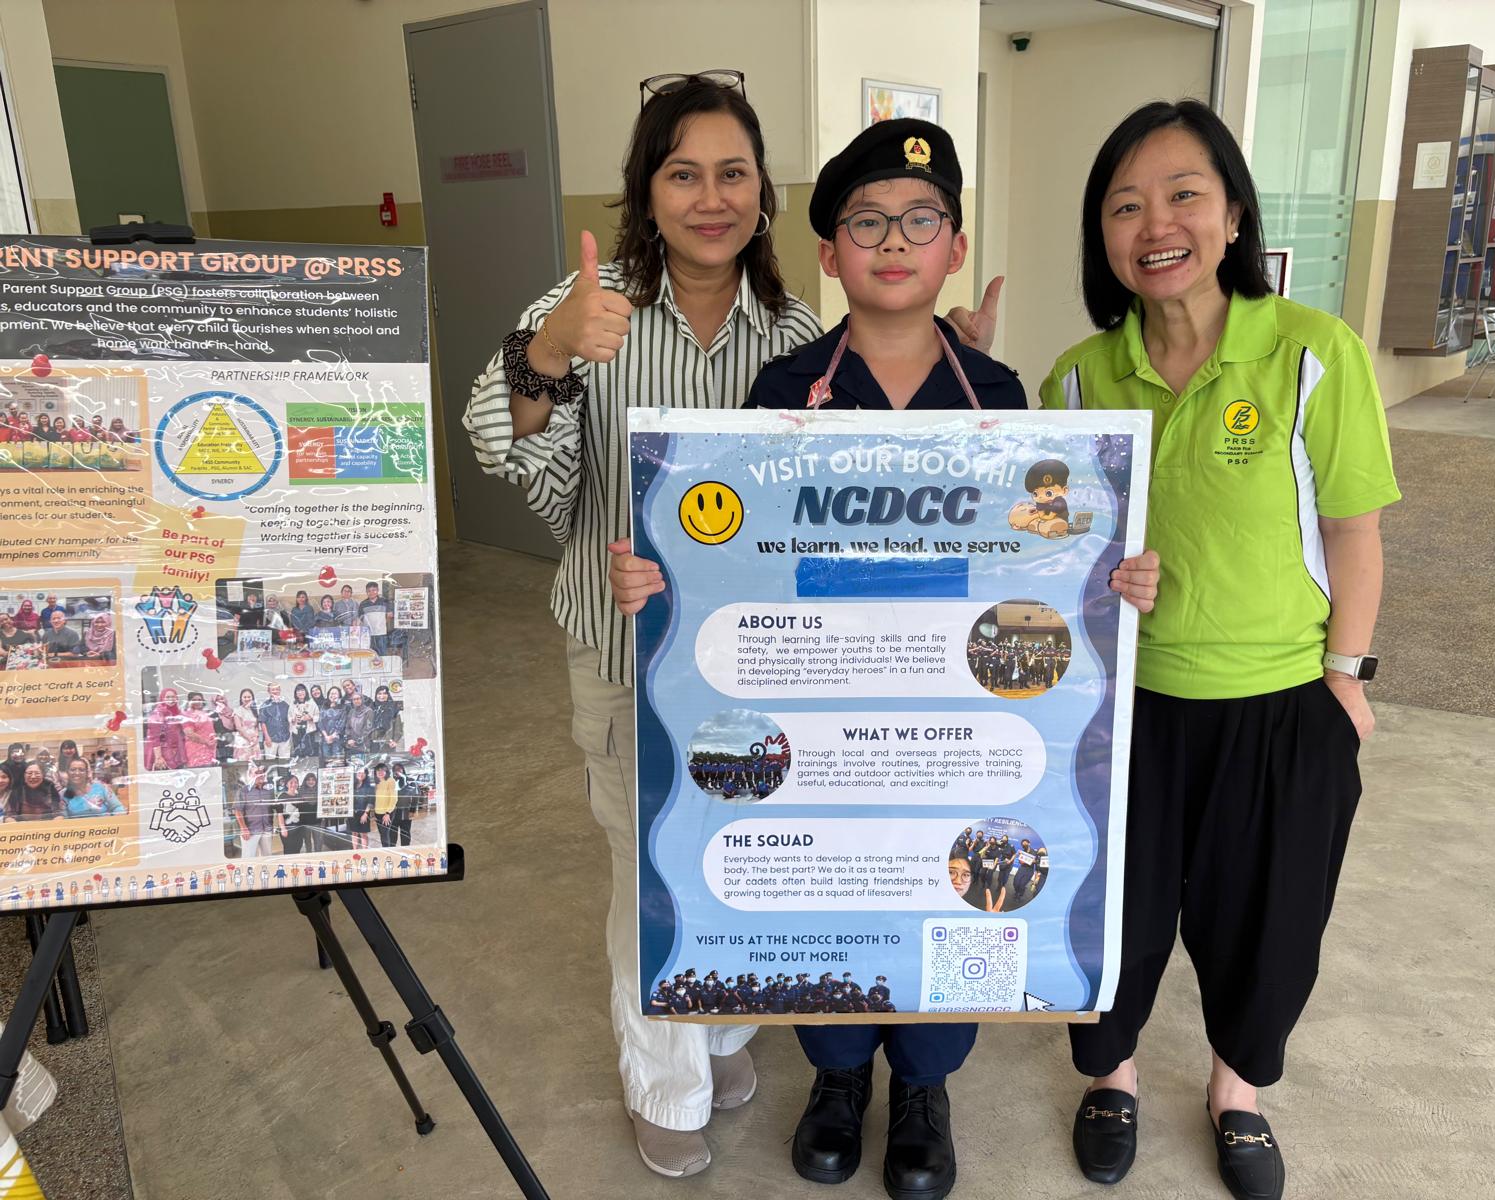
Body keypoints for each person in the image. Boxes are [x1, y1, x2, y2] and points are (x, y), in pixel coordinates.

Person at [611, 118, 1154, 1200]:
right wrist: (656, 578)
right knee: (831, 868)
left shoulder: (998, 399)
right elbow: (734, 561)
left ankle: (923, 1088)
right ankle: (835, 1076)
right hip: (819, 706)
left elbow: (1043, 556)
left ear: (955, 245)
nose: (893, 242)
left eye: (919, 220)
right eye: (865, 222)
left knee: (943, 873)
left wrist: (1110, 581)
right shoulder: (782, 392)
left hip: (956, 713)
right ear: (829, 251)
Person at [461, 72, 826, 1179]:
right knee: (651, 868)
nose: (710, 198)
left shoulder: (795, 332)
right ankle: (663, 1080)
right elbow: (500, 444)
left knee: (742, 848)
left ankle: (719, 1027)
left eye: (732, 174)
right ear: (646, 191)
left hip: (757, 666)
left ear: (763, 193)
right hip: (624, 654)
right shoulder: (591, 307)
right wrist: (553, 349)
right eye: (682, 174)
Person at [1040, 100, 1399, 1200]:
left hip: (1281, 701)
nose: (1157, 224)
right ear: (1102, 236)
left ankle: (1236, 1090)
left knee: (1267, 921)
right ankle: (1110, 1076)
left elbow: (1352, 531)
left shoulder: (1311, 353)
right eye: (1125, 206)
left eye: (1183, 195)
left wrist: (1345, 680)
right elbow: (1050, 554)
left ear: (1233, 214)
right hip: (1121, 706)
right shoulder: (1077, 379)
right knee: (1114, 912)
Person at [231, 764, 278, 857]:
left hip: (267, 830)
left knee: (267, 856)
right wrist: (244, 828)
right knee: (249, 857)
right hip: (250, 830)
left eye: (262, 773)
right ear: (250, 775)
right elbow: (237, 811)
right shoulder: (243, 791)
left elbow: (272, 808)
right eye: (257, 773)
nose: (260, 775)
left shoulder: (269, 791)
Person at [144, 687, 186, 771]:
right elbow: (154, 737)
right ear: (162, 698)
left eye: (173, 697)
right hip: (162, 753)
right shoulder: (158, 713)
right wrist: (158, 757)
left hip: (175, 751)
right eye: (168, 697)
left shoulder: (177, 712)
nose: (171, 699)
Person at [180, 692, 218, 768]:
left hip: (209, 750)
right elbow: (189, 734)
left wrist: (213, 744)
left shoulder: (205, 714)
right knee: (199, 772)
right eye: (194, 700)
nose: (197, 702)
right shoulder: (186, 715)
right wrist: (206, 742)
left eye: (199, 700)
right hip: (195, 750)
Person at [258, 683, 292, 759]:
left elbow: (289, 720)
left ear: (280, 690)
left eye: (277, 689)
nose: (275, 691)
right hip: (271, 738)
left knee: (285, 761)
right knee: (270, 761)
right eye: (273, 689)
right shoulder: (265, 705)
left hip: (285, 738)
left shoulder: (285, 705)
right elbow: (262, 722)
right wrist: (267, 737)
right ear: (268, 691)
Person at [232, 688, 263, 762]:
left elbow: (256, 726)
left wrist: (256, 737)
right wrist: (249, 739)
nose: (247, 699)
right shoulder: (237, 710)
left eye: (249, 697)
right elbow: (238, 727)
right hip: (243, 740)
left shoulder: (255, 710)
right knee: (243, 763)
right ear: (241, 698)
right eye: (245, 697)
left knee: (255, 764)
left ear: (252, 698)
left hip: (254, 740)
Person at [289, 683, 320, 757]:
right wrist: (293, 719)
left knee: (309, 752)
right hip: (296, 732)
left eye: (302, 690)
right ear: (296, 693)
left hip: (309, 731)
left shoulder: (311, 702)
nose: (300, 692)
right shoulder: (293, 704)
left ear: (305, 692)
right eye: (298, 691)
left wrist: (310, 718)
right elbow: (289, 717)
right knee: (298, 752)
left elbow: (318, 716)